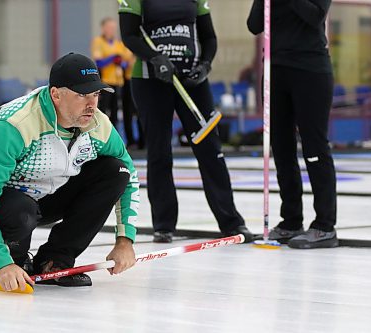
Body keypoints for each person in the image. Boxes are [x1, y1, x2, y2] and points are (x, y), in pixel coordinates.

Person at [0, 53, 139, 291]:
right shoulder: (16, 125)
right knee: (20, 211)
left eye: (95, 94)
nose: (92, 104)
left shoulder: (98, 124)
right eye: (82, 95)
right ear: (56, 94)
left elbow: (130, 174)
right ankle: (17, 261)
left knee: (116, 170)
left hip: (46, 193)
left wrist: (125, 240)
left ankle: (54, 261)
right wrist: (3, 264)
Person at [119, 0, 253, 243]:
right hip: (151, 80)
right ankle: (164, 225)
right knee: (159, 153)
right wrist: (155, 58)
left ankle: (232, 221)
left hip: (192, 82)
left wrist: (205, 65)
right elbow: (129, 35)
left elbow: (209, 37)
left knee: (211, 151)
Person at [247, 0, 338, 248]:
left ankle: (324, 225)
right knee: (282, 149)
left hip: (310, 69)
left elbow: (315, 16)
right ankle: (290, 221)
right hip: (275, 69)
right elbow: (253, 25)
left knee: (315, 147)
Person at [91, 17, 127, 128]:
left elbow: (125, 63)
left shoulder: (118, 44)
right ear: (103, 28)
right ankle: (100, 132)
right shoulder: (98, 42)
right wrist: (112, 58)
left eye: (114, 28)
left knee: (116, 111)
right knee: (103, 110)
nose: (112, 30)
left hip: (118, 81)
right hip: (105, 81)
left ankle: (114, 135)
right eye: (109, 27)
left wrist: (120, 62)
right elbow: (99, 63)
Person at [121, 48, 144, 149]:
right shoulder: (123, 47)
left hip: (141, 80)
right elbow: (123, 64)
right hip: (128, 81)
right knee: (128, 113)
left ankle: (143, 140)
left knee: (141, 112)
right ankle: (131, 141)